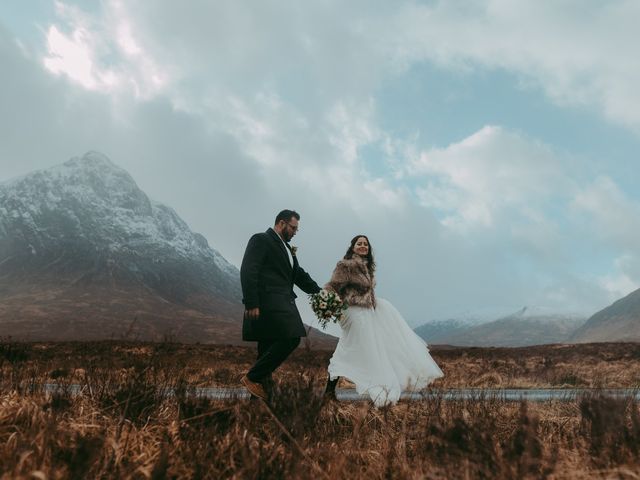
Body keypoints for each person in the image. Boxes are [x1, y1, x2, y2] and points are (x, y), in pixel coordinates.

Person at [323, 235, 443, 406]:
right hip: (354, 312)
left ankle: (329, 392)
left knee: (351, 349)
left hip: (365, 312)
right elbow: (332, 286)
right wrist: (326, 304)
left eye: (366, 244)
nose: (363, 246)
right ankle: (378, 390)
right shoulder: (346, 265)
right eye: (359, 244)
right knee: (363, 351)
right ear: (352, 247)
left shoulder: (366, 267)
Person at [240, 209, 321, 400]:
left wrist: (320, 294)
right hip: (268, 304)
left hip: (279, 304)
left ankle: (258, 406)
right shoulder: (261, 239)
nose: (295, 232)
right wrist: (251, 302)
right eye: (293, 228)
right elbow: (248, 270)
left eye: (296, 229)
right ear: (281, 223)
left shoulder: (288, 250)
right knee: (291, 337)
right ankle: (252, 377)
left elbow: (298, 275)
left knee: (266, 350)